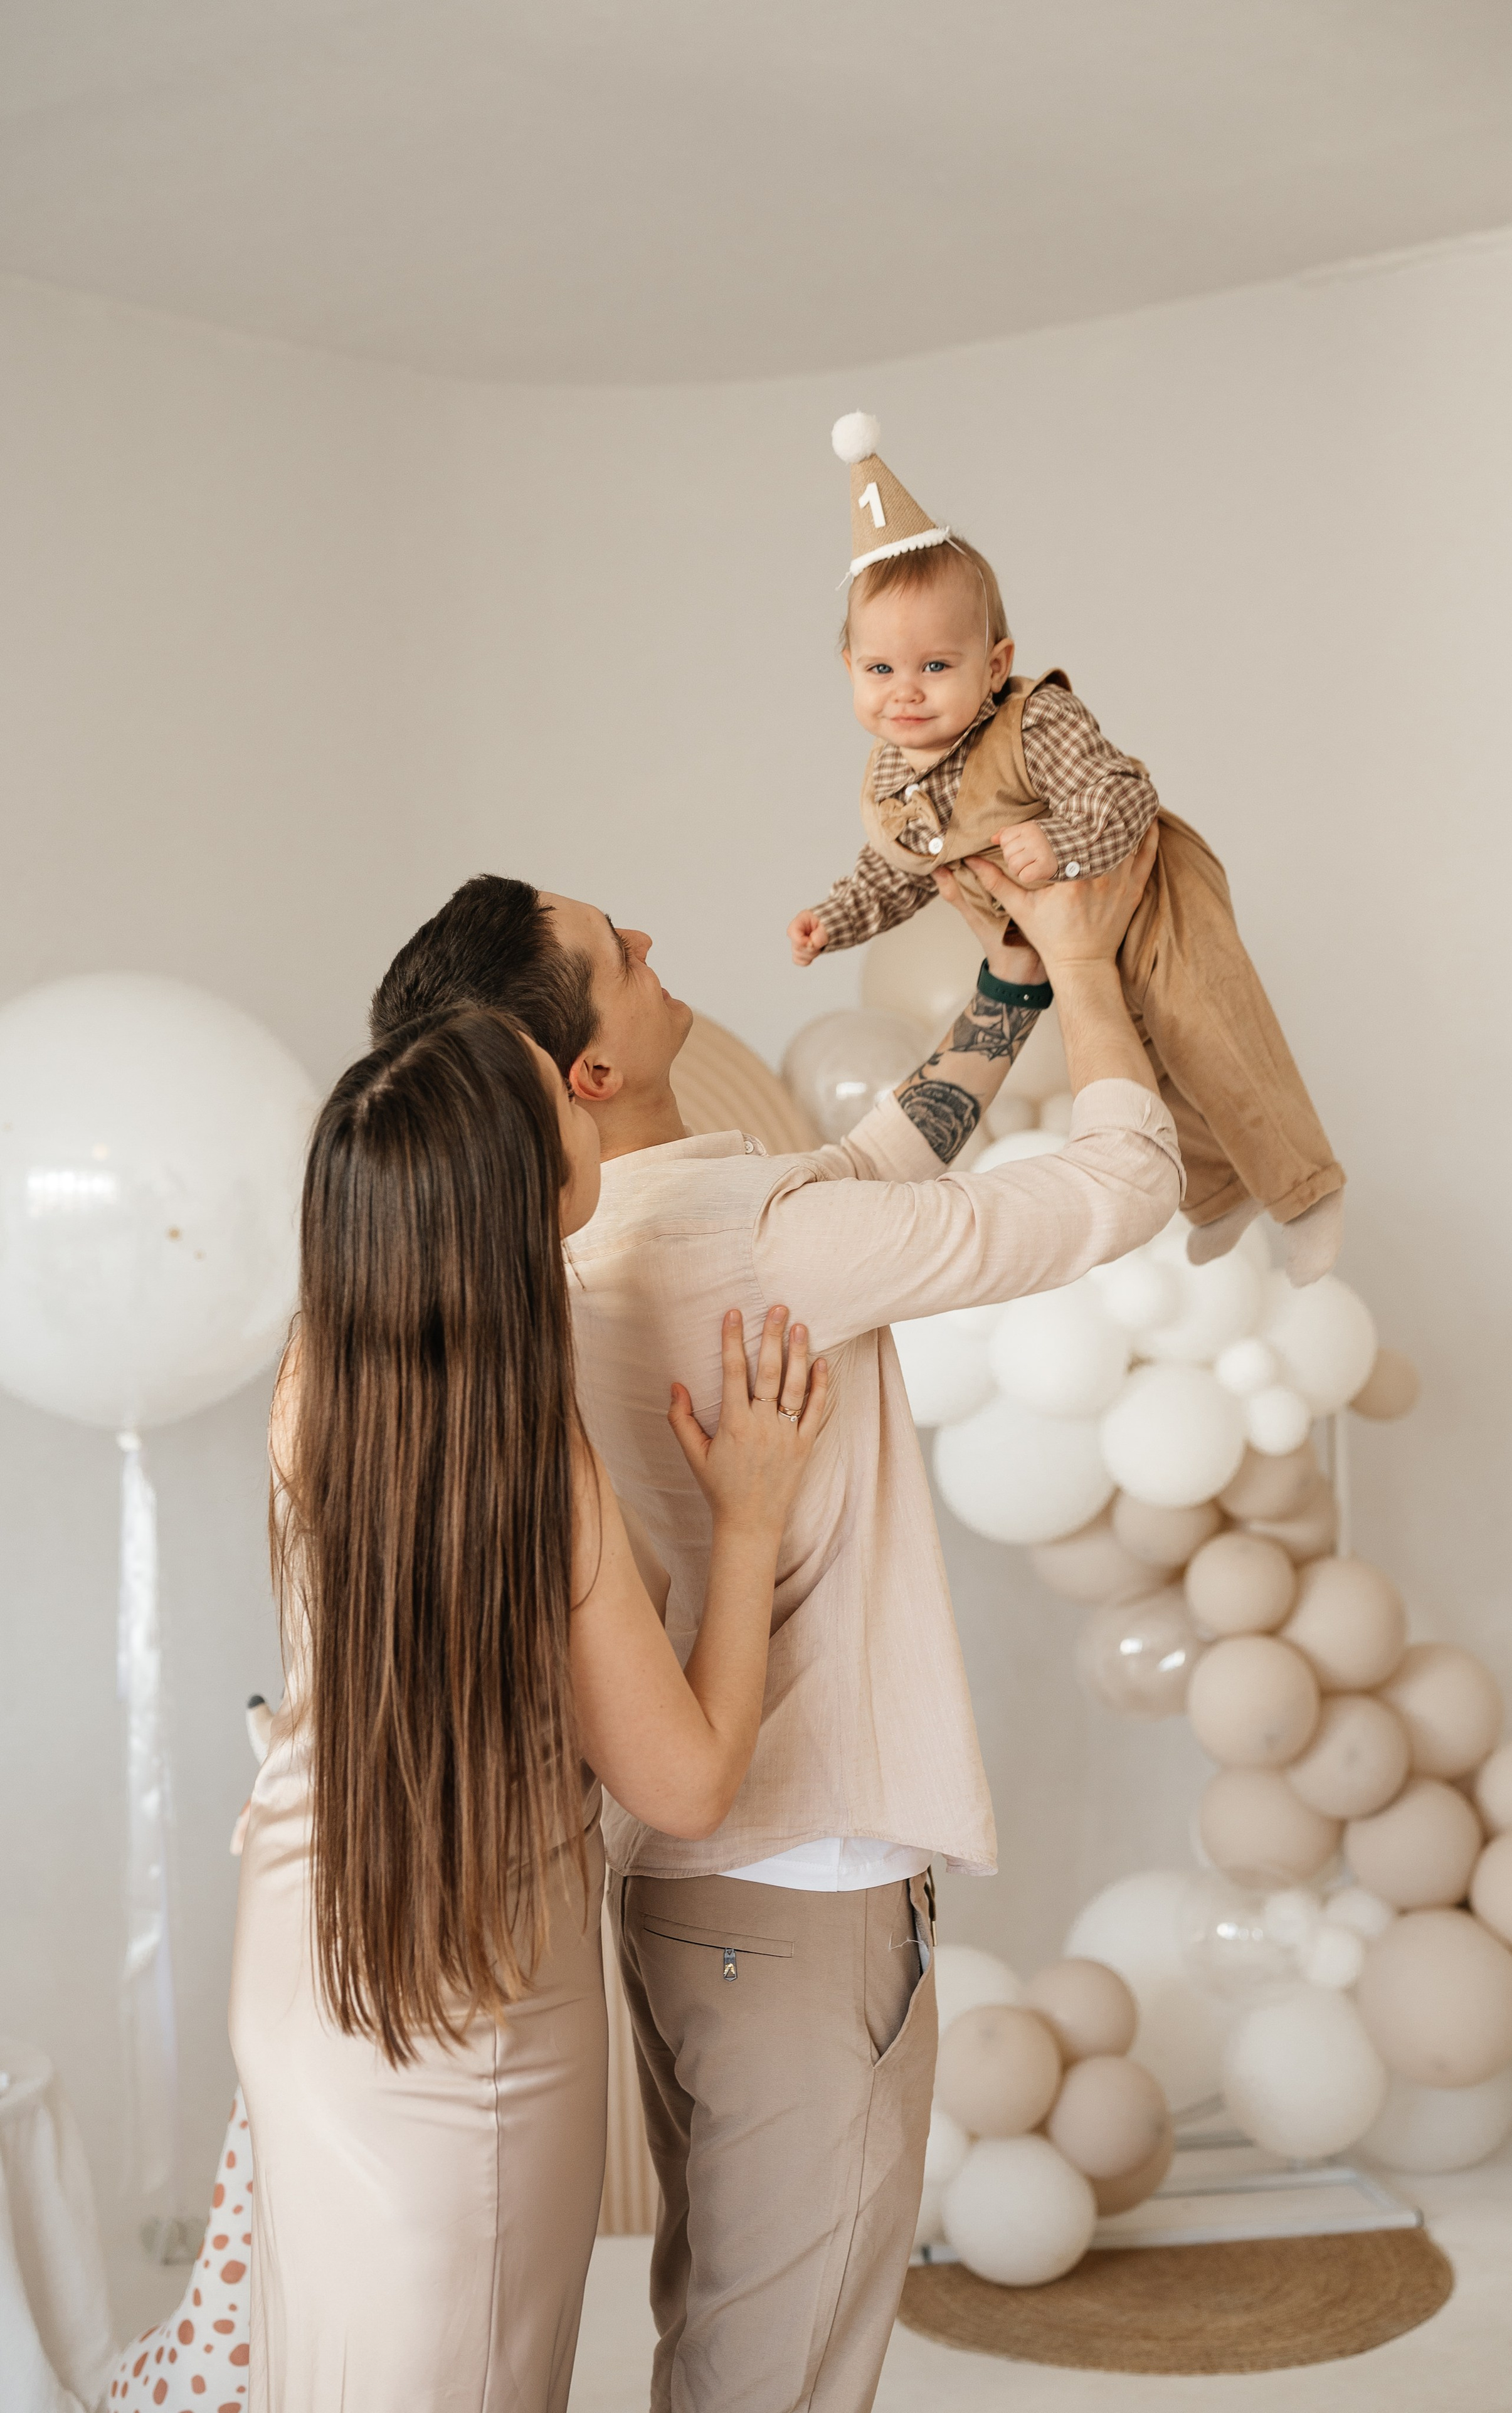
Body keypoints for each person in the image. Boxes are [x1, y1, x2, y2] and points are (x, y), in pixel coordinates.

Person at [367, 840, 1180, 2413]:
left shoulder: (568, 1249)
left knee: (728, 2328)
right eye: (617, 949)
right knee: (779, 2373)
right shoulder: (774, 1240)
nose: (649, 935)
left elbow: (863, 1170)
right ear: (589, 1070)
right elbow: (1119, 1189)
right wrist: (1083, 962)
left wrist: (1003, 990)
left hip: (681, 1893)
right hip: (805, 1897)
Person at [229, 1005, 826, 2412]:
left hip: (314, 1942)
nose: (583, 1087)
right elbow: (685, 1784)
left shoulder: (322, 1369)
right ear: (526, 1194)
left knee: (348, 2350)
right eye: (559, 1094)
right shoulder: (526, 1458)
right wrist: (748, 1519)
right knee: (466, 2359)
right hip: (472, 1982)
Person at [787, 411, 1345, 1286]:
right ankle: (1223, 1195)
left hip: (1144, 887)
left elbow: (1123, 793)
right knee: (1141, 1062)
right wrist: (836, 919)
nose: (906, 693)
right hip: (1056, 933)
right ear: (850, 668)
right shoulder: (894, 771)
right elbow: (898, 868)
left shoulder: (1032, 719)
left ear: (993, 662)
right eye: (880, 670)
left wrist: (1058, 839)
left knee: (1207, 1028)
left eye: (936, 666)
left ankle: (1307, 1192)